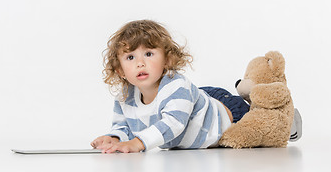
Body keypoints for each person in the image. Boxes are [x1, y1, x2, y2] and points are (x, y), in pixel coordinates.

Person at [90, 19, 250, 153]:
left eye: (148, 54)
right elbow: (125, 127)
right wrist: (114, 138)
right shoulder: (125, 97)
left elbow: (174, 123)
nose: (140, 63)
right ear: (120, 70)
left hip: (226, 114)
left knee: (261, 120)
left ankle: (254, 89)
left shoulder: (177, 86)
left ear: (166, 60)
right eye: (130, 57)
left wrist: (137, 144)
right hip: (191, 103)